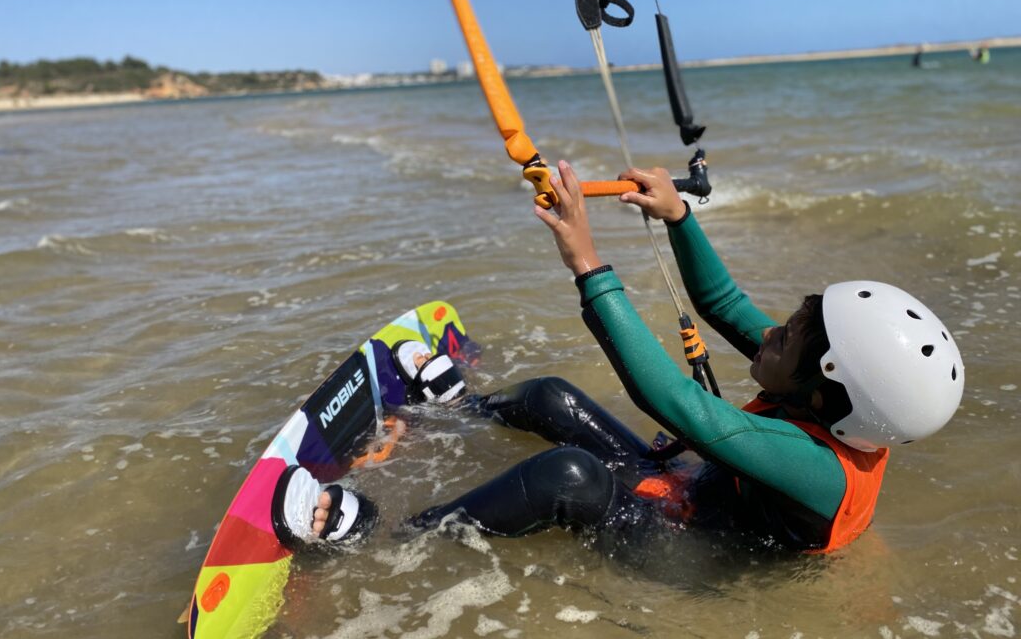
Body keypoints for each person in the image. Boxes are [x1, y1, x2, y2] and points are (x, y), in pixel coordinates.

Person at [295, 160, 964, 555]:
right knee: (550, 395)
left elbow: (675, 402)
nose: (769, 335)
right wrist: (679, 217)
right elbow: (724, 303)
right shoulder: (838, 398)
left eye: (785, 338)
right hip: (690, 492)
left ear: (823, 391)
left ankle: (393, 537)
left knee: (569, 477)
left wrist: (587, 263)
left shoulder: (820, 471)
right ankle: (458, 410)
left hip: (688, 551)